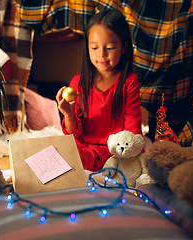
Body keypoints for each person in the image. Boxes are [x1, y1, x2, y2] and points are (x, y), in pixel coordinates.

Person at [56, 9, 142, 172]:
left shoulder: (129, 81)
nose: (101, 54)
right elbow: (74, 133)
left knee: (74, 162)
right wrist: (68, 114)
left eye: (109, 48)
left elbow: (132, 129)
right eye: (94, 48)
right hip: (83, 147)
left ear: (123, 47)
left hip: (114, 151)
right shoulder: (78, 82)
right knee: (54, 154)